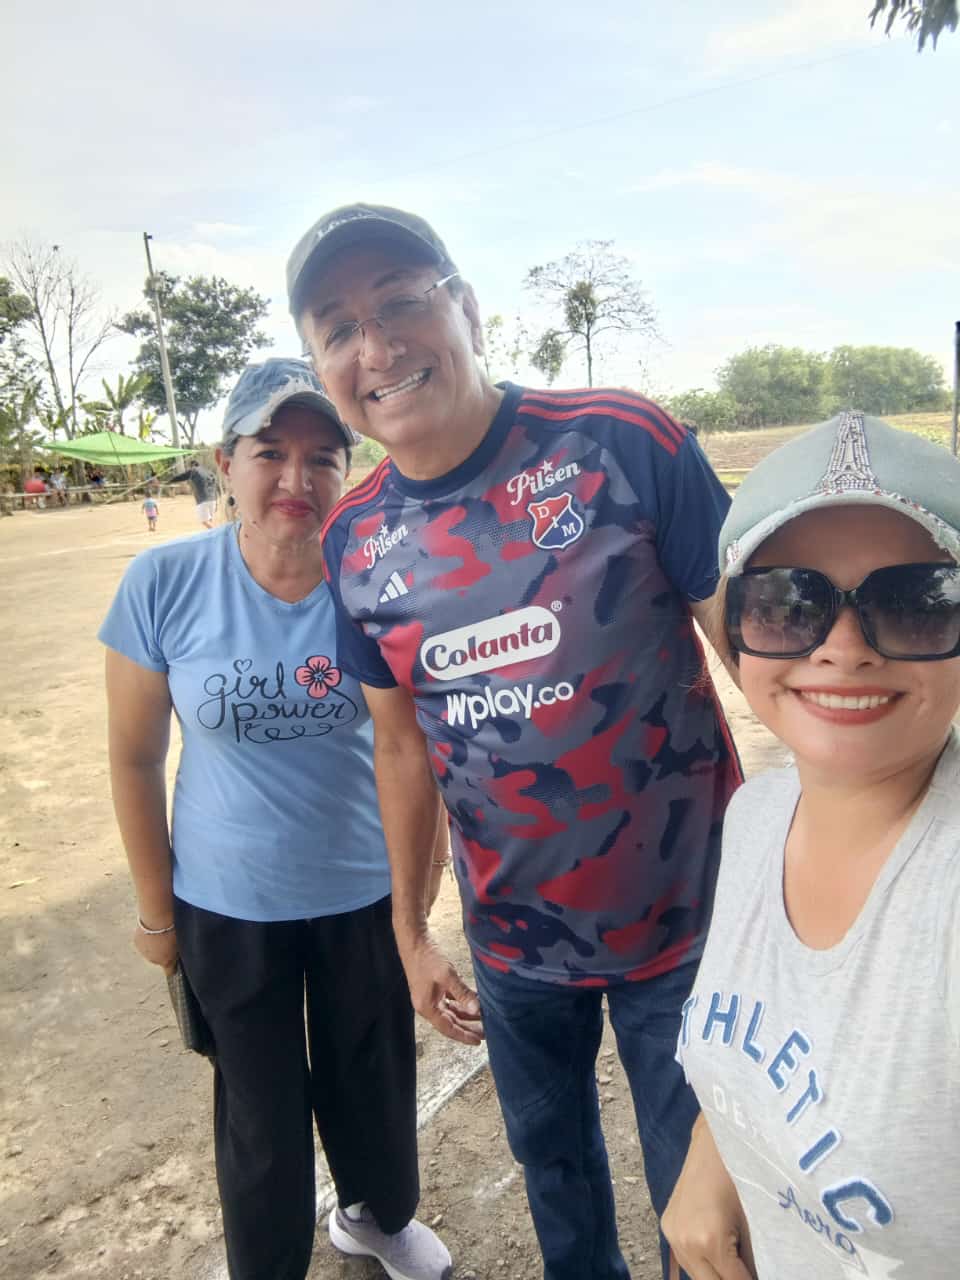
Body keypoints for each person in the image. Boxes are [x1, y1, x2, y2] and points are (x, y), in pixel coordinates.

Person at [288, 202, 742, 1280]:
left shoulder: (622, 441)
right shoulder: (354, 539)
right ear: (322, 365)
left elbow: (762, 653)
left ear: (468, 309)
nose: (377, 347)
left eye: (402, 302)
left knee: (708, 1212)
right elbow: (400, 749)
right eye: (340, 328)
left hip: (693, 928)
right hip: (514, 945)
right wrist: (410, 931)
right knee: (557, 1184)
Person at [100, 357, 453, 1280]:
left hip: (362, 890)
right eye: (270, 452)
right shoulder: (163, 582)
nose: (296, 478)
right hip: (227, 902)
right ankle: (267, 1264)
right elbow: (134, 758)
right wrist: (156, 913)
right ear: (226, 463)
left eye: (322, 456)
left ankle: (377, 1218)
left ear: (349, 470)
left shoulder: (376, 583)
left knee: (371, 1075)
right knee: (258, 1105)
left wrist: (420, 889)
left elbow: (416, 745)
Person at [664, 411, 960, 1279]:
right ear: (732, 626)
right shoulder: (758, 816)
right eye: (788, 602)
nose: (843, 650)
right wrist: (712, 1157)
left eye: (916, 602)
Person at [167, 456, 219, 527]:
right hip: (213, 499)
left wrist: (169, 481)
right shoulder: (209, 472)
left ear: (192, 465)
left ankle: (215, 531)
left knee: (204, 521)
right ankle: (214, 531)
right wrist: (216, 501)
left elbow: (181, 477)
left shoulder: (193, 470)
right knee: (210, 519)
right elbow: (215, 485)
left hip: (203, 500)